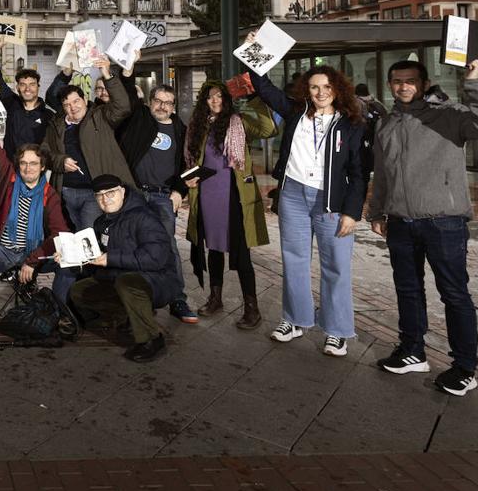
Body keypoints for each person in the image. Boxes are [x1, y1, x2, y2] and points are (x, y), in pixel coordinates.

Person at [368, 59, 478, 396]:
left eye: (410, 81)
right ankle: (412, 350)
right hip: (400, 222)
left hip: (443, 222)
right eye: (396, 81)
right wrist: (377, 211)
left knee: (454, 294)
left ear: (424, 83)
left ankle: (465, 367)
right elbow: (382, 174)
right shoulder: (387, 123)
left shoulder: (450, 114)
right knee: (407, 290)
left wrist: (474, 83)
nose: (403, 86)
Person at [247, 50, 368, 357]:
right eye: (315, 87)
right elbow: (263, 87)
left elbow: (358, 173)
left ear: (337, 90)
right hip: (294, 196)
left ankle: (336, 331)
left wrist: (352, 213)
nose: (320, 93)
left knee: (336, 266)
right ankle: (295, 319)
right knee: (294, 259)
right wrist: (255, 54)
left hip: (332, 201)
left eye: (327, 87)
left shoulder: (352, 124)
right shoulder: (294, 112)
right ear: (306, 90)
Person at [0, 94, 77, 336]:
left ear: (43, 166)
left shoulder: (49, 195)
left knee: (69, 262)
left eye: (34, 163)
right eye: (24, 163)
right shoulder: (9, 179)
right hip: (3, 252)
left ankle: (57, 310)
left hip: (35, 251)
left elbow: (61, 233)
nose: (28, 168)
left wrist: (32, 259)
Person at [183, 81, 276, 329]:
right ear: (204, 101)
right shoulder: (198, 126)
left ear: (227, 99)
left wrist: (255, 98)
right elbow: (191, 160)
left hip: (234, 195)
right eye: (210, 97)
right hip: (206, 194)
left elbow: (268, 129)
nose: (215, 101)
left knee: (241, 251)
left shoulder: (239, 121)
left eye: (220, 97)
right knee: (212, 248)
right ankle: (215, 298)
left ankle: (252, 308)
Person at [69, 175, 181, 362]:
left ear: (122, 191)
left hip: (157, 280)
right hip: (119, 276)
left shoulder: (144, 217)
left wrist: (109, 259)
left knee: (127, 284)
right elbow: (96, 256)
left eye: (111, 193)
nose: (106, 199)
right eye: (100, 195)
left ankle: (151, 339)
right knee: (78, 291)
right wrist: (72, 257)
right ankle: (129, 316)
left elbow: (155, 258)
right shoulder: (101, 222)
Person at [115, 78, 198, 325]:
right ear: (150, 102)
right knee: (131, 244)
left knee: (167, 247)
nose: (162, 106)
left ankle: (177, 298)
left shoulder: (181, 131)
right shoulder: (139, 120)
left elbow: (189, 166)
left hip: (163, 196)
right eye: (158, 101)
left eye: (167, 103)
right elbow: (127, 95)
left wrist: (179, 191)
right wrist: (127, 72)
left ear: (174, 107)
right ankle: (137, 298)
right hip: (135, 194)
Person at [43, 58, 134, 232]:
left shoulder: (100, 116)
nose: (73, 107)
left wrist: (107, 74)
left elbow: (123, 106)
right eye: (67, 104)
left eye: (76, 101)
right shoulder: (56, 124)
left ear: (85, 100)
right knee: (69, 235)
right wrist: (60, 161)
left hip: (94, 192)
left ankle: (92, 260)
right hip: (65, 192)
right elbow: (44, 153)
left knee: (88, 235)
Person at [0, 38, 54, 158]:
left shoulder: (48, 115)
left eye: (32, 84)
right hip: (12, 167)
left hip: (36, 170)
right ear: (18, 87)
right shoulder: (12, 104)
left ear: (38, 87)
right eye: (23, 85)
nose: (27, 89)